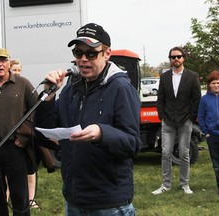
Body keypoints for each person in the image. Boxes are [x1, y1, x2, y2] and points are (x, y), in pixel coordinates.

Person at [34, 23, 141, 215]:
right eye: (78, 53)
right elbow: (46, 135)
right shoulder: (69, 90)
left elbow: (132, 144)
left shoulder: (121, 88)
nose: (83, 59)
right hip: (74, 198)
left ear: (107, 53)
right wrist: (48, 98)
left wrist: (102, 133)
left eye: (91, 54)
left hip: (109, 202)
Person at [0, 48, 38, 216]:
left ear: (9, 63)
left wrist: (23, 138)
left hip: (15, 148)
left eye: (3, 60)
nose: (0, 64)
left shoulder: (23, 84)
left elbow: (36, 110)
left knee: (20, 196)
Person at [152, 46, 201, 195]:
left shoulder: (192, 76)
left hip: (185, 120)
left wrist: (191, 117)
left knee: (184, 153)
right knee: (166, 152)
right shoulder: (165, 77)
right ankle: (165, 185)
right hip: (168, 121)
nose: (176, 59)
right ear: (170, 59)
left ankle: (184, 184)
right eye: (173, 57)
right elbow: (160, 98)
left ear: (183, 58)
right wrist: (162, 115)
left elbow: (196, 99)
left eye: (179, 56)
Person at [7, 58, 40, 209]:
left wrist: (25, 132)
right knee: (7, 175)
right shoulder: (6, 87)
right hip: (8, 138)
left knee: (30, 170)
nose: (17, 73)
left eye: (19, 70)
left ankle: (31, 199)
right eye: (15, 70)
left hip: (25, 137)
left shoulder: (25, 85)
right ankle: (7, 197)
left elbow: (36, 107)